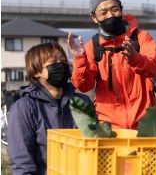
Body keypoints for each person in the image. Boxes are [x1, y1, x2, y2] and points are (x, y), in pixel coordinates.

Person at [67, 0, 156, 129]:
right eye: (103, 12)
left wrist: (135, 58)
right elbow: (83, 86)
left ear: (121, 9)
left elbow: (155, 68)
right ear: (94, 17)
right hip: (109, 128)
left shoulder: (141, 37)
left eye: (114, 9)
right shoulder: (92, 47)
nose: (110, 15)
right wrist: (80, 59)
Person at [7, 42, 92, 175]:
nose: (60, 65)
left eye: (63, 61)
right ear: (36, 72)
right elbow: (22, 163)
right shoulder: (24, 108)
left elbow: (93, 146)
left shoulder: (82, 102)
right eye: (53, 62)